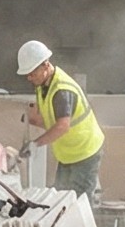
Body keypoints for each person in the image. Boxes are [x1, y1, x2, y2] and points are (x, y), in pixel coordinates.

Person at [16, 39, 105, 200]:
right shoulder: (43, 85)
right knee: (61, 199)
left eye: (32, 73)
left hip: (85, 150)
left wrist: (36, 144)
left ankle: (84, 225)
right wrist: (29, 120)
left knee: (79, 202)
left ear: (45, 65)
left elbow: (62, 126)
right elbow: (46, 117)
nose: (29, 78)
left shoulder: (62, 91)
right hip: (69, 153)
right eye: (27, 74)